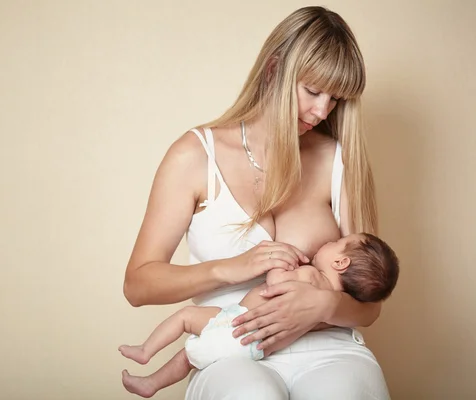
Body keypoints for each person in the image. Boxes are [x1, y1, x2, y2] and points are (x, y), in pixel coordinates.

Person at [123, 5, 392, 399]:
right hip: (232, 345)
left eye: (335, 99)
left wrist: (322, 308)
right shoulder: (196, 156)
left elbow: (370, 306)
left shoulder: (337, 159)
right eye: (313, 90)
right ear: (274, 70)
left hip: (329, 348)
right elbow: (137, 285)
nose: (321, 111)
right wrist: (229, 269)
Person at [120, 233, 399, 398]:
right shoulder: (328, 293)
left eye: (338, 241)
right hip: (251, 339)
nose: (330, 241)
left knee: (186, 318)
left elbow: (277, 287)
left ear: (340, 262)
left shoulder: (312, 276)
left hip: (239, 325)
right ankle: (151, 382)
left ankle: (147, 355)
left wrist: (279, 264)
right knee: (188, 358)